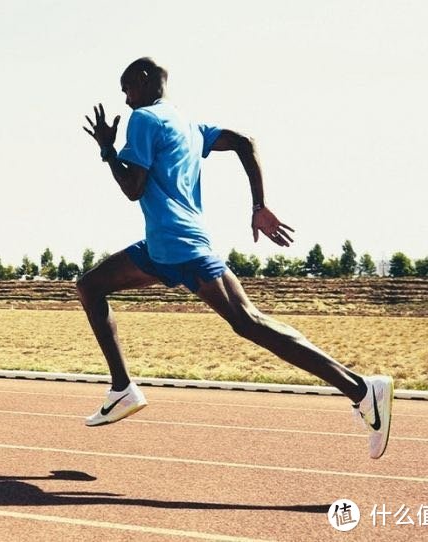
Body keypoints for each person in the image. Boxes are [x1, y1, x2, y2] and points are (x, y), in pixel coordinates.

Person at [80, 57, 393, 459]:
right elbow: (244, 142)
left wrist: (108, 150)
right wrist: (258, 205)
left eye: (127, 89)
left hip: (178, 245)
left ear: (143, 81)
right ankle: (122, 387)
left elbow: (133, 188)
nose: (125, 99)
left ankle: (362, 389)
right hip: (163, 247)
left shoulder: (144, 120)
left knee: (250, 323)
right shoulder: (190, 126)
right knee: (90, 285)